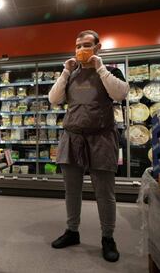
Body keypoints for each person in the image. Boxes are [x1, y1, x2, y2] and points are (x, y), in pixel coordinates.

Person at [48, 30, 129, 262]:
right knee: (71, 190)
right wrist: (65, 71)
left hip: (101, 137)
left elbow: (121, 93)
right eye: (77, 46)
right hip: (72, 137)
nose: (81, 50)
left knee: (104, 193)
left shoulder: (111, 71)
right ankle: (72, 231)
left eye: (86, 45)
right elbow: (54, 99)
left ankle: (107, 238)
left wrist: (100, 67)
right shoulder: (71, 73)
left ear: (97, 47)